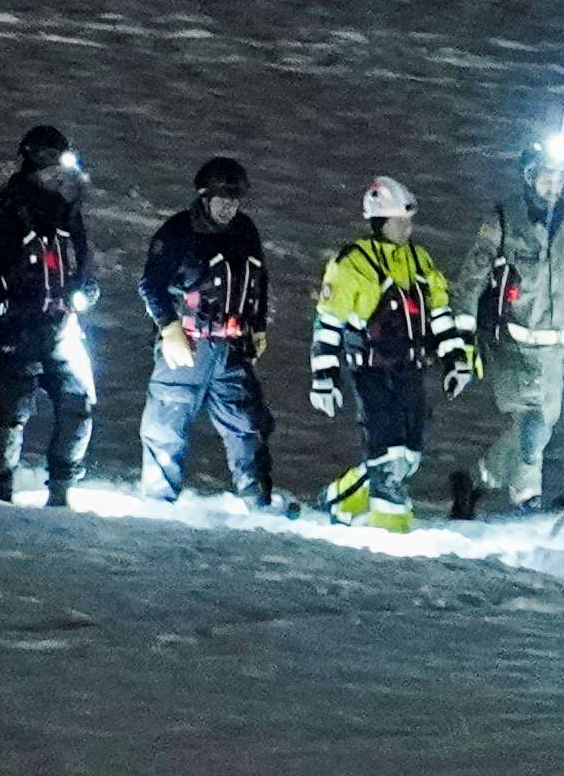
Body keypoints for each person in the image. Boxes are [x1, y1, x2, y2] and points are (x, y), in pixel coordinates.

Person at [448, 139, 564, 518]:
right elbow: (471, 281)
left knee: (540, 430)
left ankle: (475, 482)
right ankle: (526, 502)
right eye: (548, 176)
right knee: (532, 428)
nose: (555, 185)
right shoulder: (502, 220)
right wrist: (463, 339)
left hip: (555, 351)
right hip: (511, 346)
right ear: (530, 176)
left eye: (560, 177)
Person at [309, 176, 471, 531]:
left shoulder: (420, 259)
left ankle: (341, 497)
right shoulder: (352, 263)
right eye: (401, 220)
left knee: (410, 453)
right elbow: (329, 325)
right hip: (371, 371)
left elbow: (440, 313)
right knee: (387, 452)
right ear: (381, 220)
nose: (408, 227)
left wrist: (455, 361)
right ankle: (390, 526)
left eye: (409, 220)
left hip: (411, 370)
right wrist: (324, 379)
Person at [0, 125, 99, 505]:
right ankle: (0, 491)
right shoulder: (5, 212)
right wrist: (1, 323)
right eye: (54, 166)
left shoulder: (65, 212)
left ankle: (61, 489)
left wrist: (86, 288)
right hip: (16, 328)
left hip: (62, 326)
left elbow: (82, 260)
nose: (61, 175)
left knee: (79, 403)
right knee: (12, 414)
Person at [137, 156, 275, 508]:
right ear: (204, 197)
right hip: (187, 346)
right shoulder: (178, 232)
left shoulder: (245, 231)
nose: (229, 208)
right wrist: (168, 327)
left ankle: (258, 502)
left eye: (234, 201)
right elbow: (151, 283)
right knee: (166, 425)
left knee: (248, 426)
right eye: (222, 200)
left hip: (232, 349)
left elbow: (257, 282)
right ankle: (158, 502)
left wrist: (257, 328)